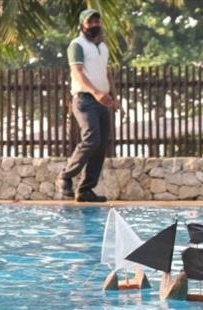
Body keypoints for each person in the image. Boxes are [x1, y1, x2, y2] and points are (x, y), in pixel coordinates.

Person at [58, 9, 121, 203]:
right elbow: (78, 73)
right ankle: (65, 176)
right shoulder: (77, 45)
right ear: (82, 25)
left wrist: (113, 97)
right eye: (90, 22)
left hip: (102, 101)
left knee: (101, 145)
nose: (94, 25)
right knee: (92, 138)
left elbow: (107, 74)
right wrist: (96, 92)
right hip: (85, 99)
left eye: (96, 21)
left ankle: (85, 190)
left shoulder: (103, 47)